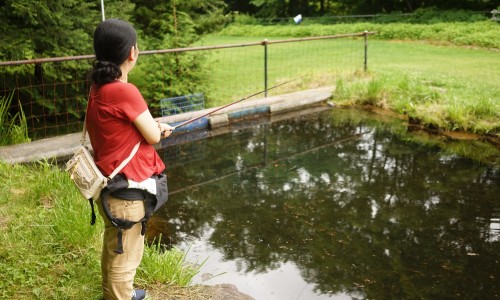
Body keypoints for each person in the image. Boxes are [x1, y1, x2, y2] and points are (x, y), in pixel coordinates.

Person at [87, 18, 174, 300]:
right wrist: (159, 129)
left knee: (116, 248)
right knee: (125, 256)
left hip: (108, 185)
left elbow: (124, 130)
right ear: (132, 53)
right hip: (126, 192)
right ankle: (119, 295)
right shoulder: (125, 91)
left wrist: (153, 128)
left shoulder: (98, 89)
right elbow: (152, 136)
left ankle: (118, 293)